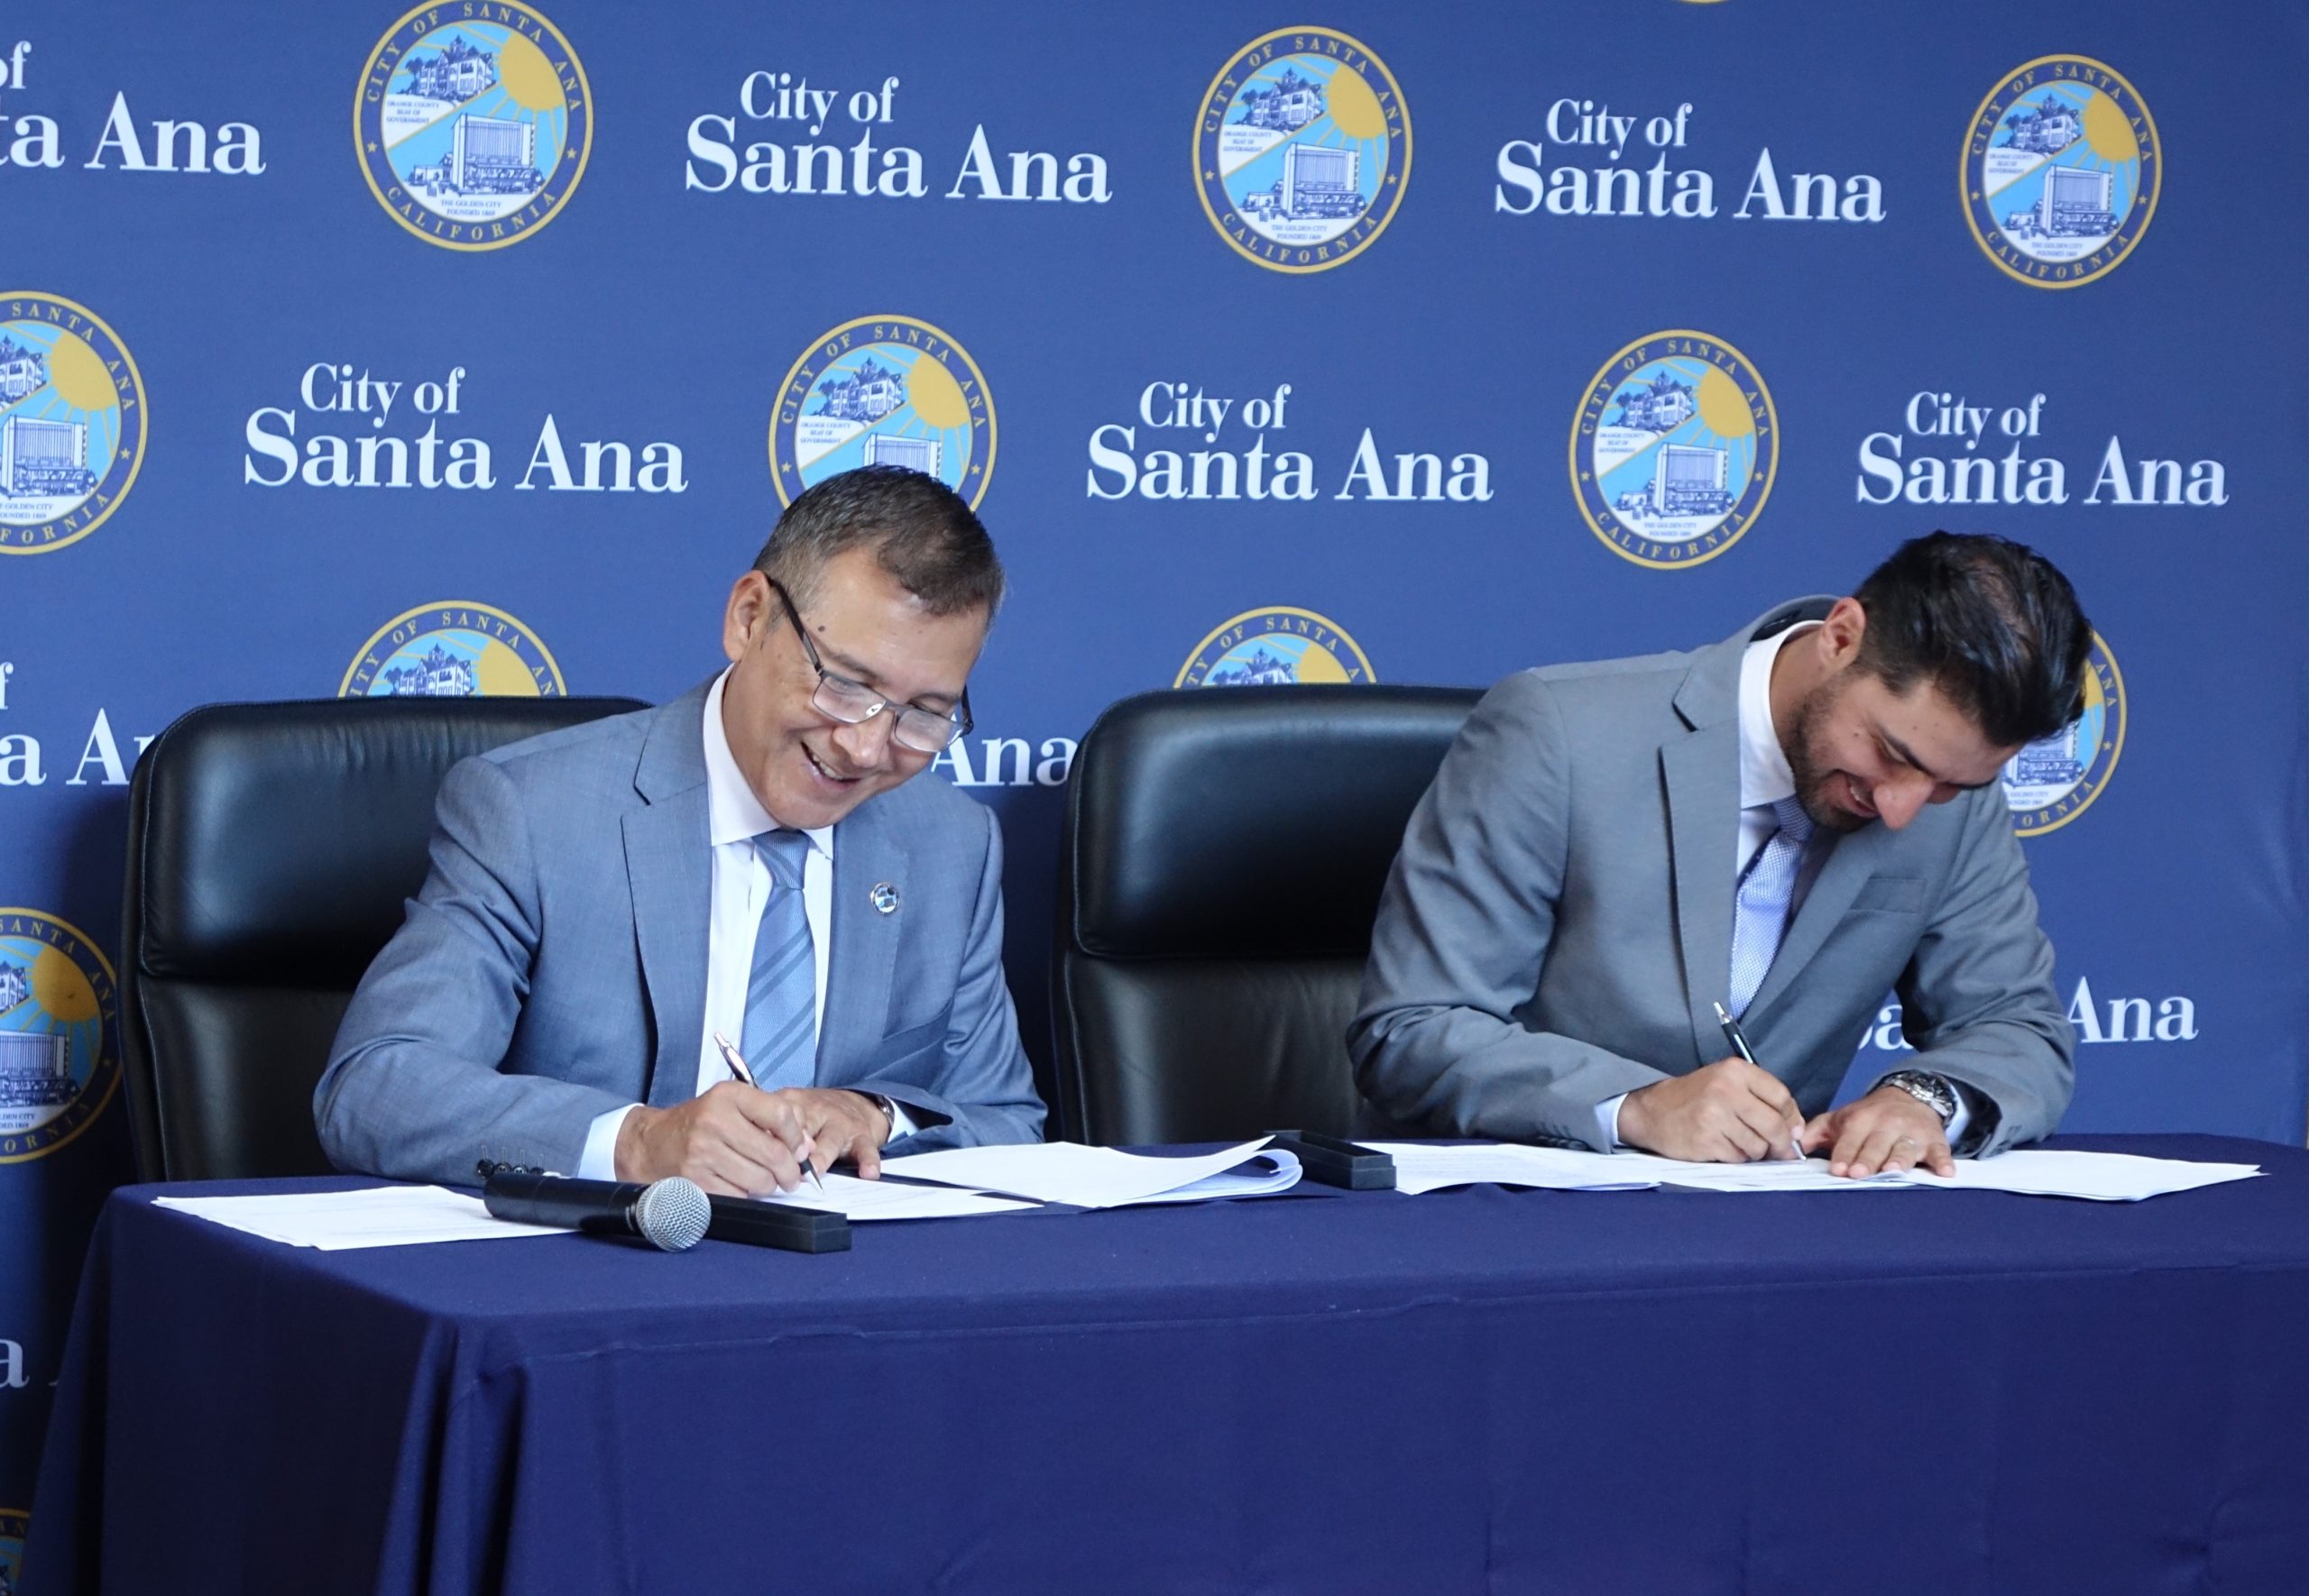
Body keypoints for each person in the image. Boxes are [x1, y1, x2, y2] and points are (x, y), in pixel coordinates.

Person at [317, 466, 1046, 1192]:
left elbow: (1007, 1124)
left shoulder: (952, 844)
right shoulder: (533, 814)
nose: (864, 747)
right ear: (749, 617)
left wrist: (879, 1115)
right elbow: (376, 1087)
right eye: (846, 686)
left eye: (923, 715)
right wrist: (637, 1143)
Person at [1350, 531, 2091, 1179]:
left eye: (1950, 786)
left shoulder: (1949, 799)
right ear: (1841, 637)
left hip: (1768, 1247)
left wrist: (1921, 1099)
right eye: (1891, 754)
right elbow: (1415, 1026)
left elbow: (2016, 1027)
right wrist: (1636, 1107)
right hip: (1514, 1227)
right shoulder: (1560, 734)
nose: (1903, 808)